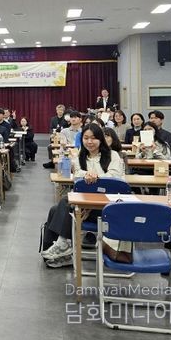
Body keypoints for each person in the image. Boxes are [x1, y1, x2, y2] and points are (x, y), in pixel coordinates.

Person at [41, 124, 123, 268]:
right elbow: (77, 175)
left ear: (100, 139)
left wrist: (96, 176)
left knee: (65, 202)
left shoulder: (113, 155)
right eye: (86, 138)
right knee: (56, 209)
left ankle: (63, 245)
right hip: (84, 204)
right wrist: (87, 174)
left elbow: (114, 177)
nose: (89, 142)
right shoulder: (80, 155)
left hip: (107, 206)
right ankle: (58, 249)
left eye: (93, 138)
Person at [43, 105, 69, 169]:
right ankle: (52, 161)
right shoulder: (53, 119)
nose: (60, 111)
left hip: (64, 137)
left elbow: (67, 128)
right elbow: (51, 128)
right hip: (55, 136)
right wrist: (52, 133)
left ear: (63, 111)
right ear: (56, 111)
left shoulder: (66, 119)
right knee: (50, 147)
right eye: (58, 110)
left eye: (61, 110)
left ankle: (55, 162)